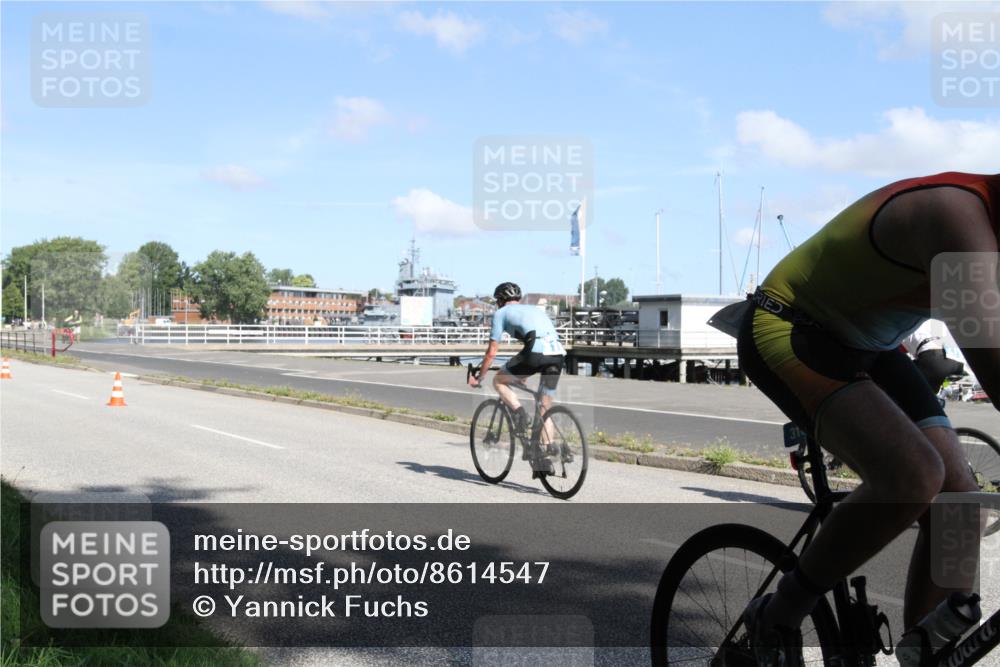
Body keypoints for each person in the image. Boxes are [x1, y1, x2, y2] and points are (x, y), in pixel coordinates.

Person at [735, 172, 999, 666]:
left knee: (961, 502)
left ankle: (926, 655)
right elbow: (994, 366)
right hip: (791, 325)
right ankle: (777, 614)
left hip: (870, 345)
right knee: (915, 474)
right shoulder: (957, 215)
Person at [468, 282, 567, 476]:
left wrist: (480, 376)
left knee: (498, 381)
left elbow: (492, 352)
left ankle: (520, 413)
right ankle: (548, 449)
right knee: (544, 407)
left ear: (500, 301)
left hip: (535, 352)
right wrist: (521, 375)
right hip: (557, 354)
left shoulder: (501, 313)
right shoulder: (534, 310)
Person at [900, 320, 965, 395]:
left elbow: (897, 350)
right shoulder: (932, 321)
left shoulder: (903, 327)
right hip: (958, 361)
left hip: (935, 358)